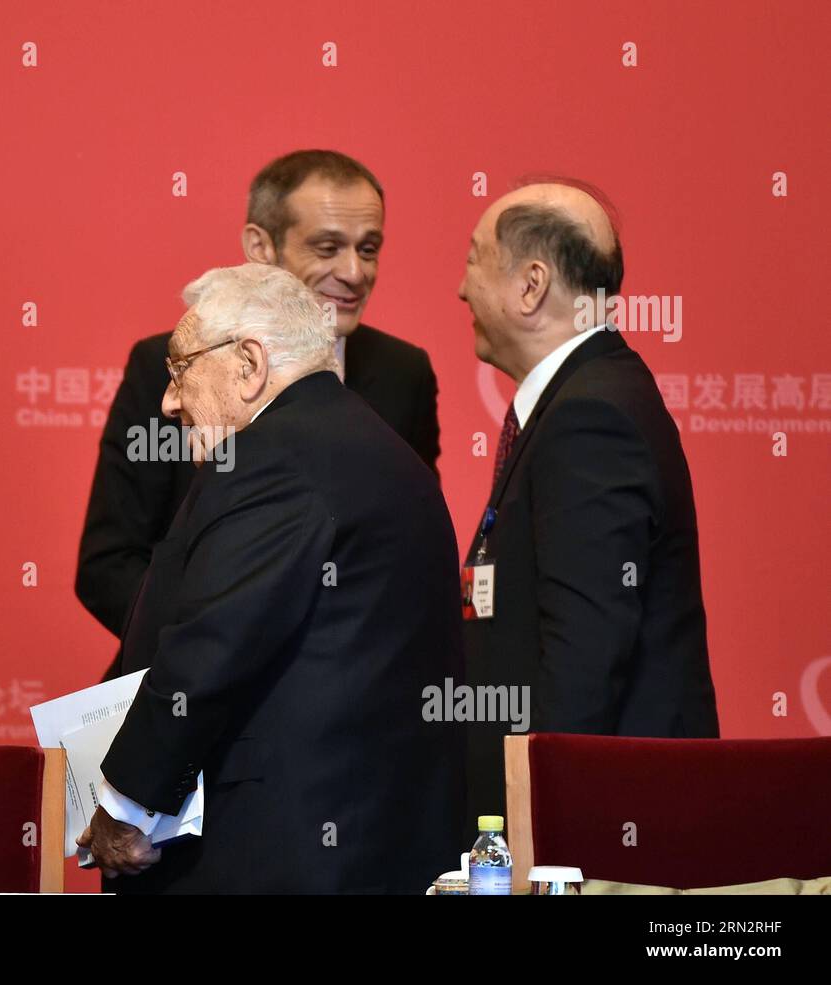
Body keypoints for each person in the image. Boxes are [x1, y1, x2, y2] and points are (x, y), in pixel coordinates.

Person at [76, 263, 465, 893]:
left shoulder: (274, 459)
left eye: (180, 370)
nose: (169, 401)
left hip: (286, 851)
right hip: (366, 842)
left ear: (249, 364)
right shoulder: (372, 446)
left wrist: (126, 808)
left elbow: (212, 649)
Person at [76, 150, 441, 646]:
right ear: (259, 247)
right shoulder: (172, 366)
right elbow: (108, 564)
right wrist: (213, 653)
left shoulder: (404, 374)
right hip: (188, 694)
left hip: (346, 696)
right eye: (328, 247)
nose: (355, 272)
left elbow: (408, 553)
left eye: (369, 248)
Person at [455, 179, 719, 836]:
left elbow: (584, 656)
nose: (461, 289)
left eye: (473, 259)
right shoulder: (584, 398)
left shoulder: (590, 416)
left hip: (600, 833)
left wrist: (537, 838)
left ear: (531, 285)